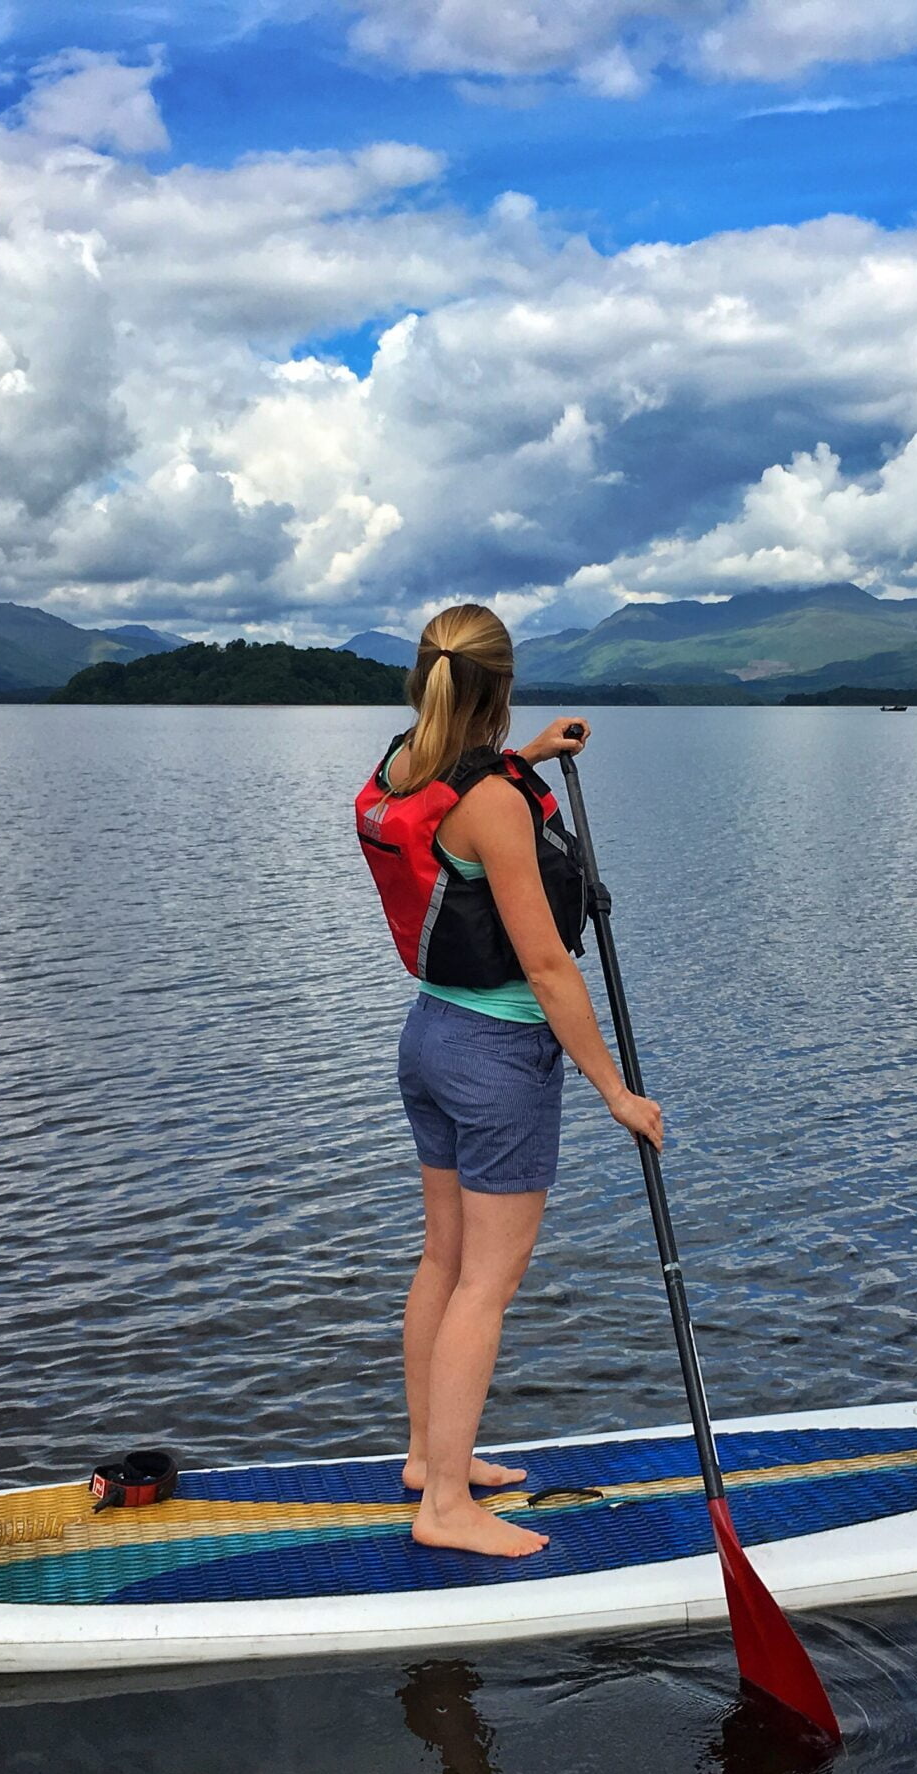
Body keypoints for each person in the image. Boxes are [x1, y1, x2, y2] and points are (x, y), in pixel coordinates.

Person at [355, 603, 664, 1558]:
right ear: (501, 682)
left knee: (442, 1262)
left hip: (430, 1039)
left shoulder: (403, 759)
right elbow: (546, 967)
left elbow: (465, 797)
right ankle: (446, 1506)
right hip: (497, 1062)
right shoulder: (490, 803)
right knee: (486, 1284)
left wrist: (522, 757)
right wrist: (617, 1092)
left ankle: (428, 1458)